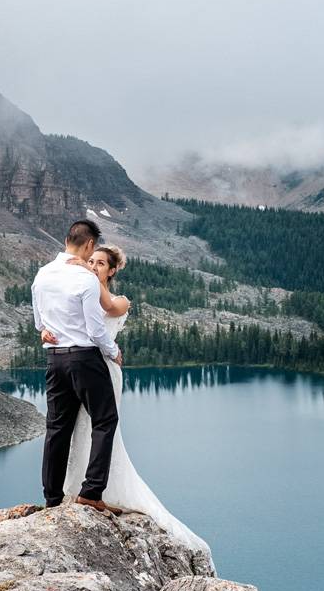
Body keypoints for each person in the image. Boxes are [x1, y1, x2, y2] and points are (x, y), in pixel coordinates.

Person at [37, 239, 213, 560]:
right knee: (74, 427)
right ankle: (73, 488)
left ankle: (95, 489)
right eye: (91, 262)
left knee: (103, 427)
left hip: (102, 367)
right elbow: (60, 320)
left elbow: (106, 308)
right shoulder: (83, 289)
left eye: (100, 264)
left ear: (113, 270)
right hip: (79, 364)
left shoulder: (119, 300)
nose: (93, 267)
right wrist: (44, 332)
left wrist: (84, 274)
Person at [32, 219, 122, 514]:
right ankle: (91, 491)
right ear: (89, 245)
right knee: (105, 420)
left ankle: (52, 498)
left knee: (57, 428)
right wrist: (113, 351)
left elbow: (39, 323)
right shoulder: (84, 280)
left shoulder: (42, 275)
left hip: (54, 359)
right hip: (84, 358)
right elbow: (96, 331)